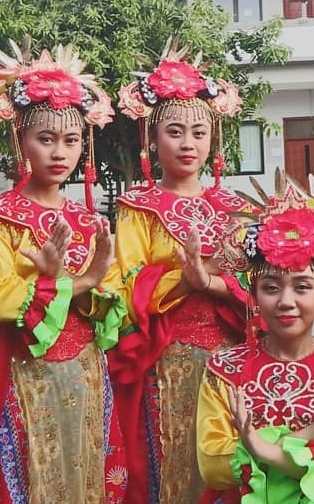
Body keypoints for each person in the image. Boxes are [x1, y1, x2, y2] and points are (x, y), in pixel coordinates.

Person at [0, 41, 128, 503]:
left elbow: (114, 300)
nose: (59, 152)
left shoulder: (88, 221)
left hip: (87, 372)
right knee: (33, 475)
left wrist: (88, 285)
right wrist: (75, 282)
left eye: (71, 141)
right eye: (46, 139)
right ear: (21, 141)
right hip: (25, 372)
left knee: (86, 472)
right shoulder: (0, 216)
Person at [110, 41, 255, 504]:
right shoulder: (139, 207)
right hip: (166, 356)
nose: (188, 143)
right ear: (153, 139)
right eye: (174, 132)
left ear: (213, 138)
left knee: (231, 458)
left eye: (198, 132)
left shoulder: (236, 207)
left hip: (233, 353)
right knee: (173, 460)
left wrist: (214, 282)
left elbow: (261, 282)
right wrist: (183, 280)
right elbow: (129, 281)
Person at [196, 177, 314, 503]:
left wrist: (261, 448)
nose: (285, 301)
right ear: (254, 294)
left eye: (302, 287)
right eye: (271, 287)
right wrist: (309, 439)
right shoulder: (224, 370)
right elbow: (212, 465)